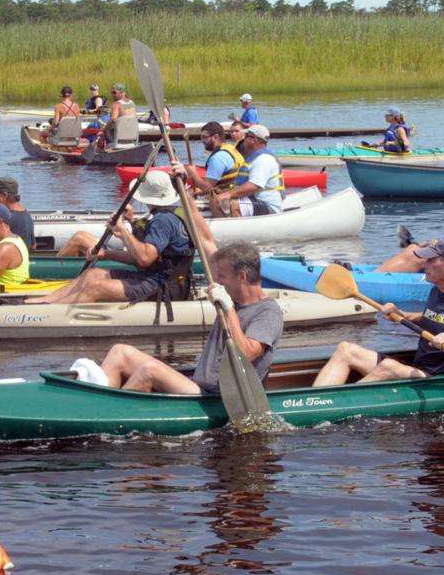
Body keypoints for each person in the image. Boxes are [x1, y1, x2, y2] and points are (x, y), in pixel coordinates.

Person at [100, 173, 283, 393]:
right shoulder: (231, 290)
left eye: (222, 277)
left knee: (149, 370)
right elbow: (204, 238)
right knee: (120, 352)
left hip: (219, 395)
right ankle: (93, 403)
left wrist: (228, 308)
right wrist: (182, 189)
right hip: (198, 384)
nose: (217, 282)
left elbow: (247, 352)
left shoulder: (268, 312)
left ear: (242, 277)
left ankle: (112, 413)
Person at [312, 238, 444, 386]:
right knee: (346, 349)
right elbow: (436, 318)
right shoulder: (437, 290)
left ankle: (334, 405)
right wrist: (402, 315)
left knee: (388, 366)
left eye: (431, 260)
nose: (423, 265)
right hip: (418, 368)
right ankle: (313, 401)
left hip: (436, 379)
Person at [26, 170, 192, 305]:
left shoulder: (162, 220)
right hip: (151, 277)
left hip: (162, 286)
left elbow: (144, 259)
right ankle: (44, 301)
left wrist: (122, 229)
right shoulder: (164, 216)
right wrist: (107, 254)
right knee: (91, 274)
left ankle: (49, 312)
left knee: (95, 287)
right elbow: (141, 258)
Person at [211, 124, 284, 217]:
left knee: (232, 204)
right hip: (255, 201)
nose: (243, 139)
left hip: (268, 205)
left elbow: (253, 186)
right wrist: (225, 191)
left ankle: (234, 229)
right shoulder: (255, 158)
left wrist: (228, 194)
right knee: (215, 199)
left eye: (246, 137)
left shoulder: (263, 160)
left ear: (254, 140)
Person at [180, 121, 244, 195]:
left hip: (225, 198)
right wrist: (201, 192)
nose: (202, 141)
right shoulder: (231, 148)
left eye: (205, 137)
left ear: (215, 137)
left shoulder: (218, 158)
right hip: (232, 191)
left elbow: (207, 188)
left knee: (188, 199)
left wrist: (193, 174)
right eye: (202, 137)